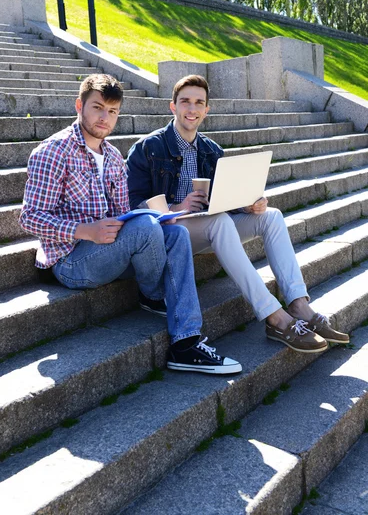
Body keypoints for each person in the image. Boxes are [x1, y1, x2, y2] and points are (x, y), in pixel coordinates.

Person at [19, 73, 241, 375]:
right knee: (150, 228)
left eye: (112, 111)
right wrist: (85, 231)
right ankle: (153, 294)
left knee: (174, 232)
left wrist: (162, 216)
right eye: (97, 108)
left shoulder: (112, 156)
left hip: (112, 250)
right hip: (71, 261)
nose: (104, 117)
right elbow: (30, 217)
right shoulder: (52, 152)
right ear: (79, 106)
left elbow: (126, 214)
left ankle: (186, 343)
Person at [126, 74, 349, 354]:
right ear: (173, 106)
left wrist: (247, 204)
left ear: (207, 110)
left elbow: (224, 198)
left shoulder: (211, 150)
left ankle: (299, 305)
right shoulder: (149, 148)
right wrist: (174, 208)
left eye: (199, 103)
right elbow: (133, 202)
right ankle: (275, 318)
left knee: (272, 216)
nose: (191, 109)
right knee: (218, 222)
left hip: (207, 227)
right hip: (170, 232)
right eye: (185, 102)